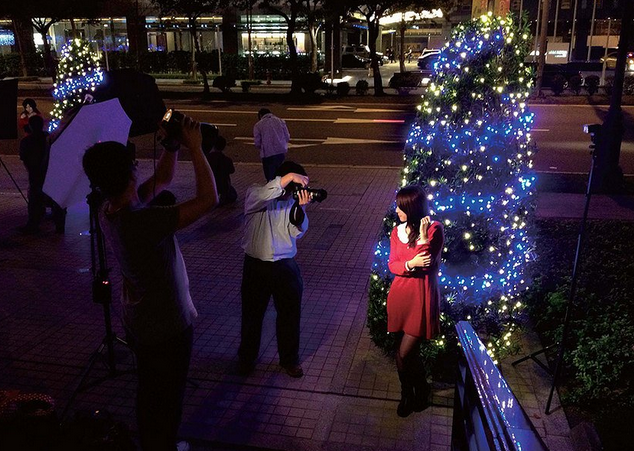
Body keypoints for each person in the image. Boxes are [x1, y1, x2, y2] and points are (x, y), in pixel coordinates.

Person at [82, 115, 217, 451]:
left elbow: (164, 178)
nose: (138, 165)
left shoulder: (110, 208)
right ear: (129, 173)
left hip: (141, 320)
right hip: (166, 325)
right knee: (167, 399)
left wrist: (172, 146)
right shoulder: (141, 221)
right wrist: (197, 149)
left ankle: (153, 442)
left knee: (150, 391)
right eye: (133, 162)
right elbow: (208, 199)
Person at [238, 161, 311, 378]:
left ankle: (290, 360)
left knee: (289, 316)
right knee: (252, 315)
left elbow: (297, 231)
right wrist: (287, 178)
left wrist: (300, 207)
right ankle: (246, 359)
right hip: (255, 264)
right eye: (293, 184)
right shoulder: (255, 193)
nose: (294, 191)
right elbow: (262, 194)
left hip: (285, 266)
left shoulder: (290, 202)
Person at [387, 185, 444, 417]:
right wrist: (410, 265)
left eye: (401, 207)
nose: (397, 211)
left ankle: (411, 392)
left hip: (421, 297)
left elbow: (428, 261)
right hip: (400, 295)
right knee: (408, 354)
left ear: (412, 208)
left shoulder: (434, 229)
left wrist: (421, 237)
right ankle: (414, 391)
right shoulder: (395, 231)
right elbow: (392, 265)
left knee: (404, 353)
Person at [18, 115, 65, 234]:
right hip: (51, 172)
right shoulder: (50, 139)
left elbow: (25, 158)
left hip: (36, 173)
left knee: (35, 198)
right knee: (54, 198)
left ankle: (34, 223)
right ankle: (59, 225)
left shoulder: (27, 141)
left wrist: (31, 170)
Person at [253, 108, 290, 181]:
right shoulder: (280, 121)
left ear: (260, 115)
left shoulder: (258, 125)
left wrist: (261, 147)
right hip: (280, 151)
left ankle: (271, 190)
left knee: (270, 176)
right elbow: (287, 136)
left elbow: (257, 142)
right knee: (280, 174)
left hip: (268, 153)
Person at [203, 135, 237, 205]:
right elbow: (232, 170)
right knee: (233, 194)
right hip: (223, 184)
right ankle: (222, 197)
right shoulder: (226, 160)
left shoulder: (207, 158)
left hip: (210, 184)